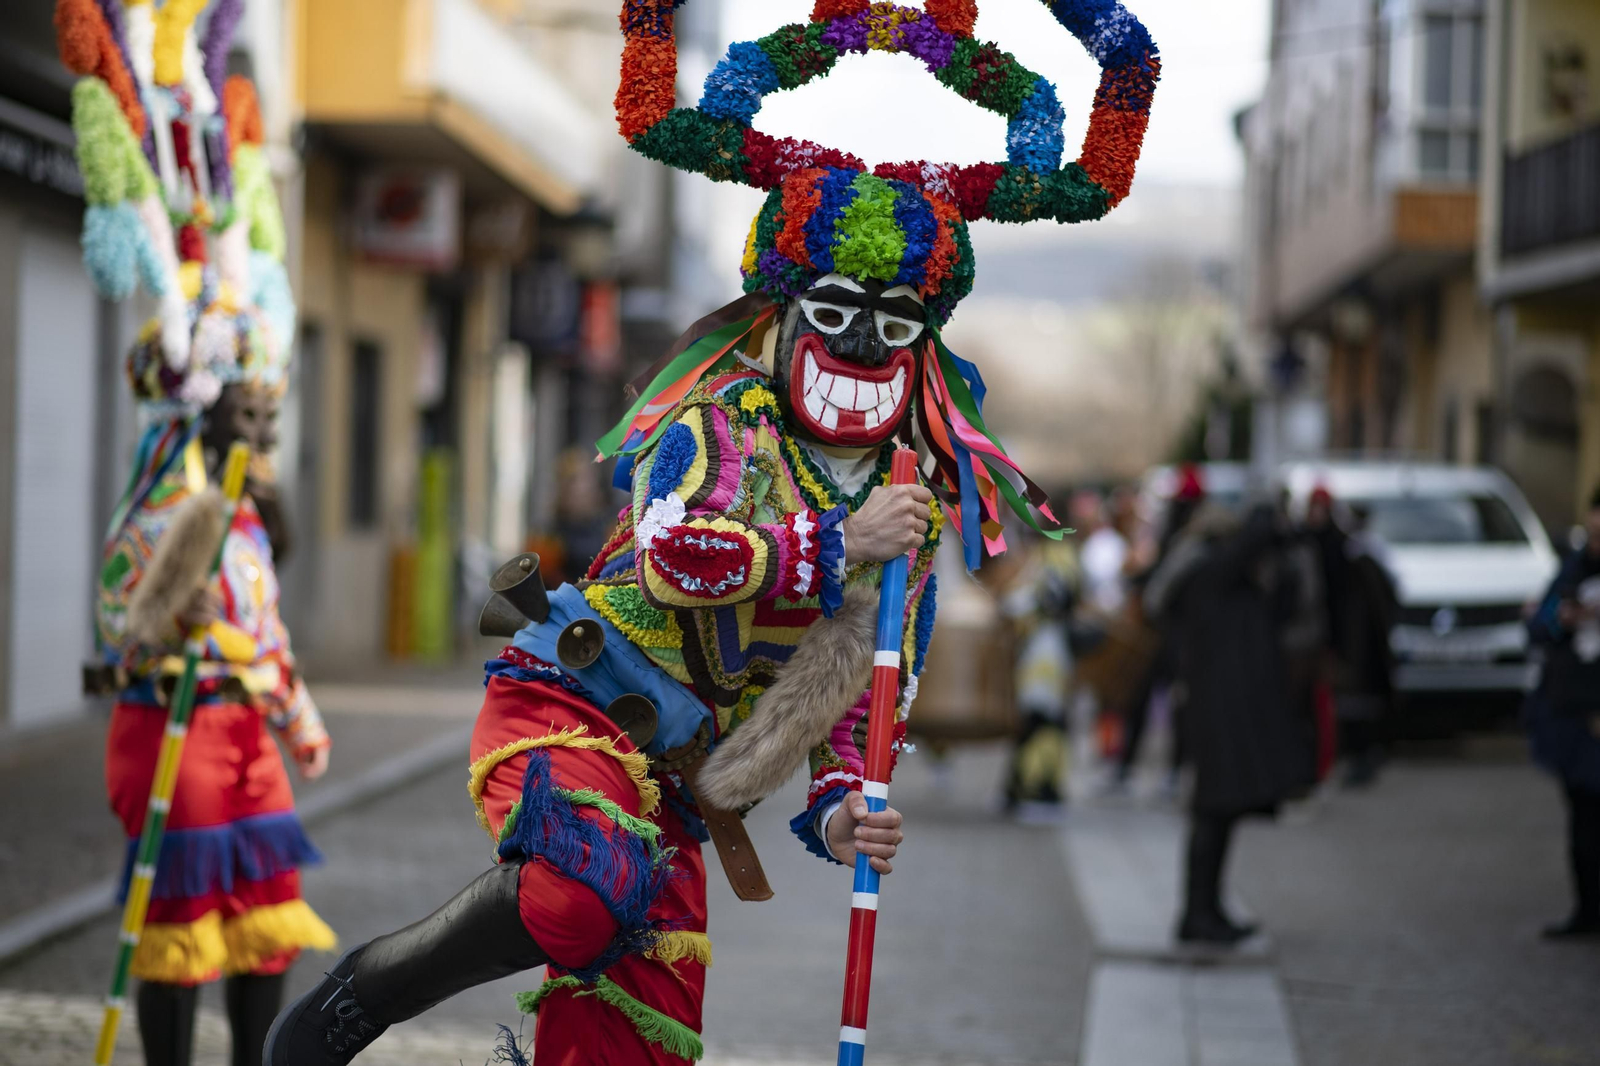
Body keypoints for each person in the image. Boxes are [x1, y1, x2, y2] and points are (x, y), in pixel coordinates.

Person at [266, 2, 1160, 1061]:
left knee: (635, 1039)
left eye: (892, 322)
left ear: (923, 334)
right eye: (834, 312)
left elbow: (860, 704)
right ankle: (362, 998)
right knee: (583, 890)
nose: (861, 345)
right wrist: (833, 546)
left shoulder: (911, 508)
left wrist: (841, 814)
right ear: (782, 312)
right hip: (577, 707)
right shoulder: (718, 421)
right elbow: (673, 557)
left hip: (685, 789)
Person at [59, 7, 336, 1063]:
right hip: (168, 719)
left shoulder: (254, 516)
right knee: (181, 934)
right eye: (246, 406)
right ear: (201, 406)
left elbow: (266, 632)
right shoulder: (164, 493)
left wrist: (298, 711)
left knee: (267, 924)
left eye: (268, 408)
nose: (262, 420)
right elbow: (133, 619)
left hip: (243, 732)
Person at [1144, 502, 1308, 945]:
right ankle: (1197, 914)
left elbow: (1286, 602)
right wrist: (1266, 517)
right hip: (1214, 713)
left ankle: (1208, 908)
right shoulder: (1206, 573)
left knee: (1221, 813)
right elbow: (1249, 547)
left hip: (1224, 711)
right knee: (1212, 812)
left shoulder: (1224, 578)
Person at [1526, 487, 1600, 940]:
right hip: (1575, 714)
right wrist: (1561, 618)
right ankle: (1587, 908)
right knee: (1583, 821)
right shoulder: (1571, 571)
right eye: (1593, 531)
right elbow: (1538, 625)